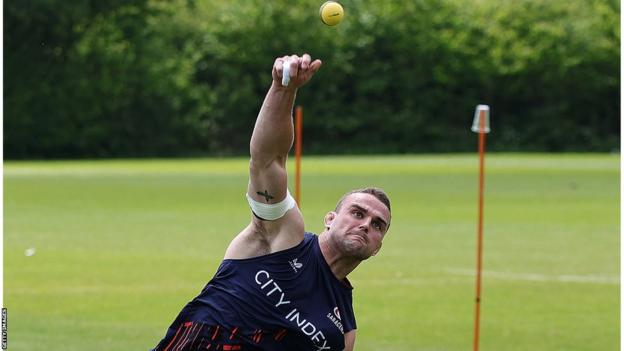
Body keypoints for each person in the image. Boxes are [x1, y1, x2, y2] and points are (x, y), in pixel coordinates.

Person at [152, 54, 392, 351]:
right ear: (330, 218)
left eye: (377, 225)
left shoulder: (343, 330)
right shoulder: (281, 236)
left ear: (378, 246)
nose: (366, 224)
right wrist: (283, 88)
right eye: (357, 212)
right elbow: (267, 161)